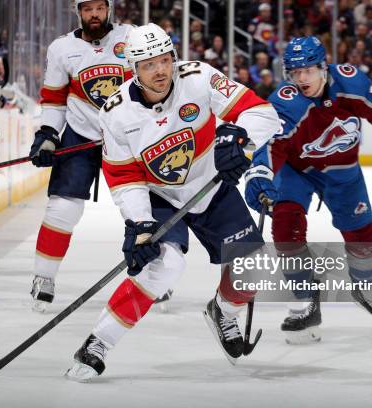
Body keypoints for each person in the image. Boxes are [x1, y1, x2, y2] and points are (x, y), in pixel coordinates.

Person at [64, 23, 281, 382]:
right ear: (134, 69)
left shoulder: (199, 78)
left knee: (254, 267)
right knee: (163, 266)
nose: (160, 70)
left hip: (212, 186)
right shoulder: (116, 112)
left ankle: (223, 312)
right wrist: (139, 223)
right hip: (159, 195)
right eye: (149, 64)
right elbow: (124, 176)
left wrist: (241, 139)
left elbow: (263, 113)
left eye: (165, 60)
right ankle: (98, 342)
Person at [244, 36, 372, 344]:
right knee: (286, 224)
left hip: (341, 170)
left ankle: (363, 284)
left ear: (323, 67)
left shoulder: (350, 83)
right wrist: (259, 171)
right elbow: (272, 144)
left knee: (363, 234)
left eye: (308, 71)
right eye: (294, 72)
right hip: (296, 169)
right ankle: (305, 300)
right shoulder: (286, 100)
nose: (301, 79)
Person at [28, 0, 134, 312]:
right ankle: (43, 277)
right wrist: (48, 134)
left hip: (127, 139)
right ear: (79, 12)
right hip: (79, 133)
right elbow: (55, 98)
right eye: (88, 9)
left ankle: (152, 275)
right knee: (62, 208)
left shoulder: (131, 38)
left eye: (100, 8)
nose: (94, 15)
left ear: (109, 9)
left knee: (141, 208)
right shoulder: (62, 48)